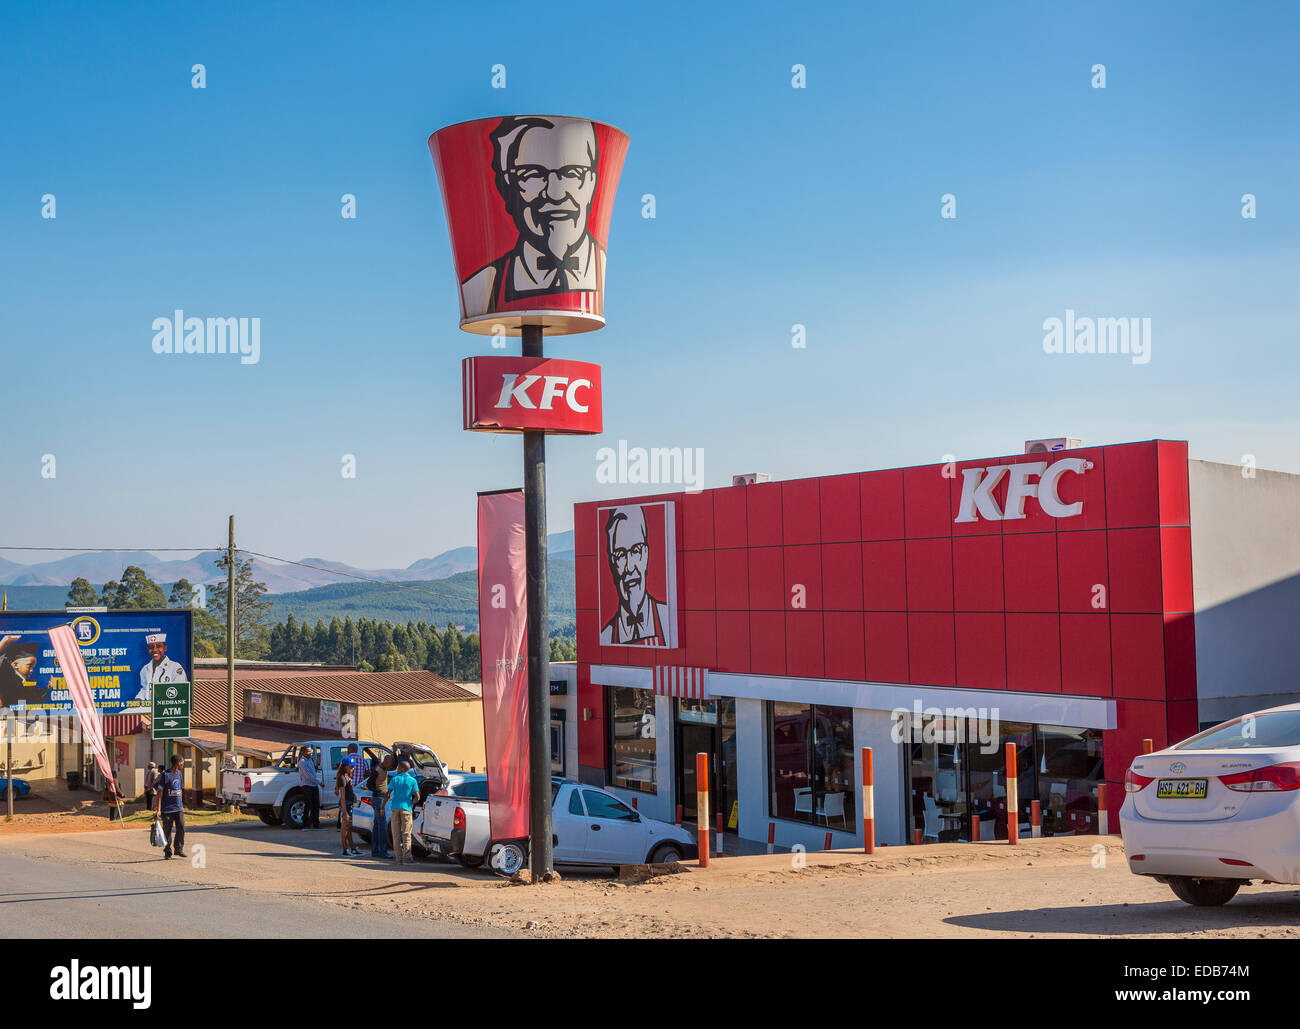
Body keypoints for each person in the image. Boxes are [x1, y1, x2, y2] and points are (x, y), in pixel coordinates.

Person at [459, 116, 605, 320]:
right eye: (533, 174)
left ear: (591, 184)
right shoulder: (482, 287)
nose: (556, 193)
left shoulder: (602, 267)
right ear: (508, 188)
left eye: (572, 173)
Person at [599, 505, 671, 646]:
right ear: (613, 563)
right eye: (620, 555)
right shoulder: (605, 637)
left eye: (636, 550)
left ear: (646, 554)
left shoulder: (668, 619)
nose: (629, 567)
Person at [386, 760, 421, 865]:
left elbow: (388, 793)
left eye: (397, 768)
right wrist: (412, 804)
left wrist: (384, 805)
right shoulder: (412, 781)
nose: (396, 769)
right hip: (406, 809)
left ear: (401, 768)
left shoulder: (395, 779)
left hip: (395, 808)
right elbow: (417, 797)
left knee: (396, 835)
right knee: (406, 834)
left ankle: (398, 858)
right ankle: (407, 858)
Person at [138, 633, 187, 703]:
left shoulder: (175, 667)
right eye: (151, 647)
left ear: (165, 648)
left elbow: (180, 691)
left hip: (166, 707)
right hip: (148, 706)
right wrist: (138, 699)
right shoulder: (145, 669)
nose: (154, 650)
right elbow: (145, 689)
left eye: (158, 646)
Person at [154, 754, 186, 859]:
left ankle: (178, 848)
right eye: (182, 762)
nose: (183, 764)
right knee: (167, 831)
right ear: (178, 762)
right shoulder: (165, 775)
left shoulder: (179, 774)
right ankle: (167, 851)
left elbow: (180, 789)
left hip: (178, 808)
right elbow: (159, 792)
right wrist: (158, 809)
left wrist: (181, 804)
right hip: (167, 809)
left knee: (181, 826)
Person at [0, 636, 43, 707]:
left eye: (33, 667)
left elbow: (34, 695)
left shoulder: (27, 681)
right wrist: (5, 642)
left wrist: (48, 688)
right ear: (15, 664)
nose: (32, 670)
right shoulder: (7, 674)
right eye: (29, 666)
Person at [364, 759, 390, 858]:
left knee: (377, 826)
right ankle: (382, 851)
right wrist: (380, 791)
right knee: (382, 826)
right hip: (378, 799)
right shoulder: (377, 770)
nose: (390, 767)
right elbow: (369, 784)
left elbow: (395, 763)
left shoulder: (384, 768)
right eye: (390, 764)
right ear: (386, 762)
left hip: (378, 799)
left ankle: (375, 851)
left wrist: (395, 752)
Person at [335, 761, 360, 856]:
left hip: (349, 804)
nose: (353, 768)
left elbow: (349, 790)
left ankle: (353, 848)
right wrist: (345, 812)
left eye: (353, 767)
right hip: (346, 805)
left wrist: (353, 795)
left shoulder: (347, 776)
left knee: (349, 827)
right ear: (345, 766)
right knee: (345, 827)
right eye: (351, 767)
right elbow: (342, 797)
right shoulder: (342, 778)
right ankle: (345, 850)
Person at [296, 746, 321, 829]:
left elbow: (313, 773)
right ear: (303, 752)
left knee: (316, 805)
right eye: (309, 752)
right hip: (307, 786)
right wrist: (319, 782)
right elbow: (308, 776)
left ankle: (316, 825)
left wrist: (316, 782)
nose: (311, 753)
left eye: (311, 751)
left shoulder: (310, 760)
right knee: (308, 806)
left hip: (314, 785)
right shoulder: (302, 762)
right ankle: (305, 825)